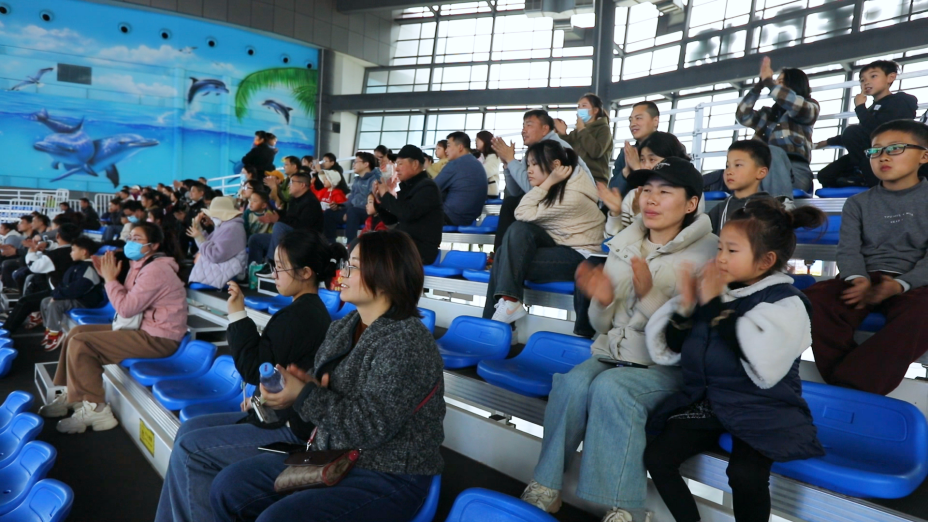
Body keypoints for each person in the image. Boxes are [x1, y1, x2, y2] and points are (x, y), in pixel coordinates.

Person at [520, 157, 717, 522]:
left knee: (612, 388)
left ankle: (627, 509)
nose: (651, 199)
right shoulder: (625, 243)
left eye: (665, 192)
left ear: (691, 203)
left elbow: (691, 336)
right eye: (646, 190)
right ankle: (546, 487)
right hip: (613, 354)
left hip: (667, 367)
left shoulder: (709, 254)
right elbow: (602, 325)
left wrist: (649, 295)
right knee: (571, 384)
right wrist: (603, 301)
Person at [207, 230, 444, 522]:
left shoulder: (406, 343)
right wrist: (298, 389)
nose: (342, 273)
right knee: (229, 486)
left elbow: (370, 426)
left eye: (353, 266)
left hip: (388, 473)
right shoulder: (344, 327)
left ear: (386, 275)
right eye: (346, 264)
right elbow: (326, 394)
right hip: (333, 456)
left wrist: (305, 395)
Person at [644, 198, 826, 522]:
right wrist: (685, 309)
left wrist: (712, 304)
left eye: (732, 250)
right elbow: (671, 347)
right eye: (720, 249)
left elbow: (758, 356)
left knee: (745, 474)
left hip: (764, 408)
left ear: (766, 260)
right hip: (711, 402)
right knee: (657, 457)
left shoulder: (787, 303)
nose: (721, 258)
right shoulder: (715, 290)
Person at [154, 230, 346, 522]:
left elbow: (253, 368)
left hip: (289, 428)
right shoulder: (307, 311)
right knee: (188, 430)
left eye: (280, 267)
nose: (274, 273)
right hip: (281, 414)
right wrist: (261, 400)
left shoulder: (299, 317)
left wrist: (237, 314)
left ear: (306, 272)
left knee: (190, 450)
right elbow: (277, 373)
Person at [805, 119, 928, 396]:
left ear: (924, 156)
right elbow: (848, 250)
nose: (882, 156)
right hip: (863, 277)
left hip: (916, 283)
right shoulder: (857, 203)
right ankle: (852, 382)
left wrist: (901, 285)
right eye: (875, 150)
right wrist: (857, 278)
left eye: (895, 148)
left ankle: (852, 385)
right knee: (815, 299)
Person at [38, 222, 188, 434]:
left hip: (160, 339)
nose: (131, 242)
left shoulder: (156, 270)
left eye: (137, 239)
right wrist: (107, 277)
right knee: (76, 333)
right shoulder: (141, 265)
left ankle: (97, 409)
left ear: (154, 245)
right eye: (130, 237)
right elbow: (127, 302)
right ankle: (73, 394)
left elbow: (125, 308)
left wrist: (110, 280)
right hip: (142, 330)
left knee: (83, 343)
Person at [484, 140, 605, 326]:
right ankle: (506, 308)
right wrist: (548, 183)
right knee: (511, 244)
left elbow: (522, 212)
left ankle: (497, 323)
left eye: (534, 164)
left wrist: (547, 182)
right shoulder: (558, 186)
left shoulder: (571, 196)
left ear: (555, 165)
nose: (529, 170)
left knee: (505, 258)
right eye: (528, 165)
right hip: (560, 246)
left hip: (581, 257)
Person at [491, 109, 593, 254]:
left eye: (529, 125)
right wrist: (507, 165)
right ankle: (501, 256)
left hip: (570, 213)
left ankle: (501, 256)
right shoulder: (535, 151)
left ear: (545, 129)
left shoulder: (555, 147)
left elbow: (532, 190)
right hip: (553, 203)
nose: (523, 130)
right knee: (511, 203)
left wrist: (511, 160)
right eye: (523, 126)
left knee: (512, 207)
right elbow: (516, 191)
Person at [816, 60, 919, 188]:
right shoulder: (871, 109)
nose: (866, 82)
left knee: (852, 132)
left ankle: (869, 177)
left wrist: (860, 107)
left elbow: (881, 132)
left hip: (889, 153)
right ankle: (860, 178)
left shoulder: (900, 100)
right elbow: (861, 133)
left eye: (873, 76)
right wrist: (828, 142)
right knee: (825, 175)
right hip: (868, 153)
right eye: (862, 80)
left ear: (890, 77)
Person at [736, 56, 819, 194]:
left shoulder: (809, 106)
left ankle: (780, 202)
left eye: (781, 82)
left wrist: (769, 82)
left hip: (794, 170)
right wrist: (758, 87)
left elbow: (792, 102)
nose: (775, 85)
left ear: (794, 84)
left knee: (772, 152)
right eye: (775, 81)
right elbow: (742, 116)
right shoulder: (767, 113)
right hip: (762, 170)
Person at [599, 131, 692, 237]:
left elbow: (667, 240)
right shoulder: (634, 195)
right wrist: (615, 214)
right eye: (642, 160)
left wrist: (640, 214)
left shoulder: (684, 195)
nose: (646, 166)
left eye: (652, 159)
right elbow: (612, 241)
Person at [373, 145, 444, 265]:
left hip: (419, 250)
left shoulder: (428, 187)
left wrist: (386, 195)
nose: (396, 168)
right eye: (396, 164)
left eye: (400, 164)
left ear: (415, 164)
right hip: (404, 245)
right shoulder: (407, 187)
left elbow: (407, 213)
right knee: (367, 245)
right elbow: (392, 221)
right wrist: (380, 200)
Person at [2, 224, 80, 332]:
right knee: (34, 282)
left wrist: (31, 251)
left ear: (57, 236)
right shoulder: (77, 250)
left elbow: (34, 266)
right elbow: (58, 247)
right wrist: (46, 244)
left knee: (25, 301)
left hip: (60, 291)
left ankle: (7, 329)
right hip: (67, 288)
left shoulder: (55, 255)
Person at [39, 236, 105, 351]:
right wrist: (55, 294)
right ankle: (49, 329)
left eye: (73, 250)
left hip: (85, 301)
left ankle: (55, 333)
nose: (71, 253)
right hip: (76, 297)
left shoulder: (88, 268)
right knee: (45, 301)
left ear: (84, 252)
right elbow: (63, 284)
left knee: (56, 304)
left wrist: (57, 296)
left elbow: (78, 289)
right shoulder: (76, 265)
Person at [247, 171, 324, 268]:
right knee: (255, 239)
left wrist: (278, 219)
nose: (288, 186)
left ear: (302, 185)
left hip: (305, 240)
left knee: (279, 226)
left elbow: (302, 227)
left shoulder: (311, 202)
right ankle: (253, 269)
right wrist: (276, 214)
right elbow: (289, 216)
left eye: (292, 182)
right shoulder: (294, 199)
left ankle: (271, 264)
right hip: (290, 236)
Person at [707, 140, 774, 235]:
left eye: (738, 165)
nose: (729, 171)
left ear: (761, 172)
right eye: (727, 166)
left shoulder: (769, 209)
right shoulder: (720, 209)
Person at [187, 197, 248, 290]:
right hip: (222, 267)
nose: (211, 217)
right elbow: (208, 245)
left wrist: (199, 237)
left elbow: (215, 255)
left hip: (229, 271)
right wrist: (199, 229)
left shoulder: (232, 228)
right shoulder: (226, 225)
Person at [555, 93, 613, 186]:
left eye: (584, 106)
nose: (580, 109)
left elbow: (596, 151)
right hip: (575, 178)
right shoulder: (576, 131)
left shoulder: (603, 129)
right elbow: (568, 150)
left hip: (594, 179)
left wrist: (582, 130)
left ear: (595, 110)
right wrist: (563, 134)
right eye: (578, 106)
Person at [323, 152, 381, 244]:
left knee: (353, 212)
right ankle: (330, 243)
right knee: (329, 212)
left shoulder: (375, 180)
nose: (353, 165)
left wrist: (349, 211)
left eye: (356, 162)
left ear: (366, 164)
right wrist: (340, 206)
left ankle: (351, 244)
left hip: (367, 211)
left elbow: (371, 201)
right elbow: (351, 199)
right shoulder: (357, 180)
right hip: (353, 211)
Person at [435, 132, 489, 226]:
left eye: (449, 146)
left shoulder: (456, 164)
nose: (446, 150)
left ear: (460, 147)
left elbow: (431, 188)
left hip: (450, 216)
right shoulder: (477, 164)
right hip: (469, 219)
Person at [609, 101, 661, 197]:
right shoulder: (626, 154)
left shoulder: (669, 149)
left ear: (655, 121)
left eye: (638, 118)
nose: (632, 124)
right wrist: (626, 172)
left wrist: (637, 170)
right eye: (630, 120)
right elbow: (612, 194)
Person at [475, 130, 500, 197]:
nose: (475, 142)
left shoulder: (493, 157)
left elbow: (484, 173)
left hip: (489, 192)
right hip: (482, 191)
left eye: (478, 139)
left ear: (485, 140)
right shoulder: (482, 156)